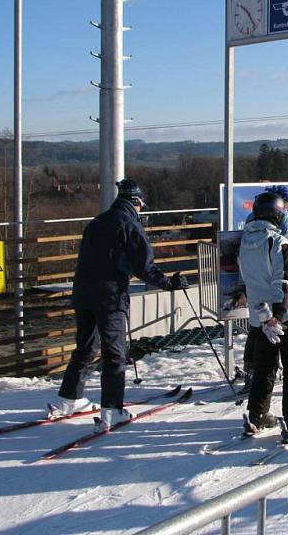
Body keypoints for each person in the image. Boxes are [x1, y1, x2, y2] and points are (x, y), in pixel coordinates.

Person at [54, 179, 189, 432]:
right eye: (141, 206)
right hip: (111, 297)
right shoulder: (129, 225)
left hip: (83, 294)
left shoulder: (96, 222)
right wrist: (169, 283)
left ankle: (68, 400)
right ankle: (112, 410)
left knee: (85, 348)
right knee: (114, 354)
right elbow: (144, 267)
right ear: (136, 202)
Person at [238, 191, 288, 440]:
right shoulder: (279, 242)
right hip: (282, 315)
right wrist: (278, 316)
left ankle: (257, 415)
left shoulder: (245, 242)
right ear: (278, 214)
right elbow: (284, 281)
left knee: (264, 366)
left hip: (258, 315)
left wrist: (265, 315)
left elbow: (246, 278)